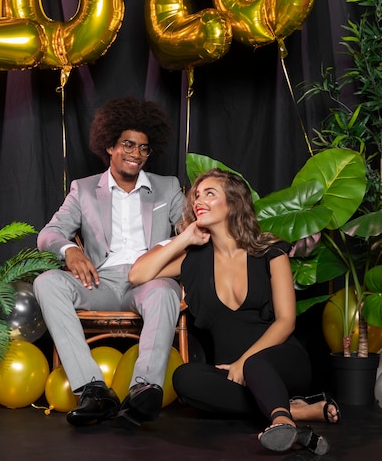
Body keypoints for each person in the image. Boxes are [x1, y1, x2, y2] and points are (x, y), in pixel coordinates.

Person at [128, 168, 340, 455]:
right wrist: (186, 236)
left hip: (280, 360)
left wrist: (244, 361)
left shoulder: (270, 251)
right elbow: (138, 275)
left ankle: (281, 420)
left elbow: (286, 321)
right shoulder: (193, 260)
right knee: (184, 378)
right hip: (231, 375)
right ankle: (295, 411)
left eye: (210, 194)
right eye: (197, 196)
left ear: (233, 203)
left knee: (255, 365)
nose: (198, 201)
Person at [34, 96, 184, 427]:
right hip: (99, 282)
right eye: (128, 145)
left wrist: (168, 248)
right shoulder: (84, 190)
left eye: (144, 148)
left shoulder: (167, 187)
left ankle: (144, 389)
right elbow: (48, 234)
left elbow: (190, 230)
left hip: (148, 279)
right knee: (47, 282)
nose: (136, 153)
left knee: (164, 292)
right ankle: (93, 390)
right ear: (110, 146)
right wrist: (70, 251)